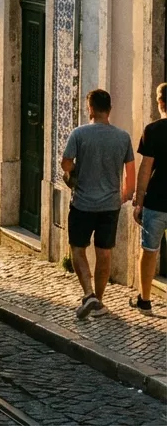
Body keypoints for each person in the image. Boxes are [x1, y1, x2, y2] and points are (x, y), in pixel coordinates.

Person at [61, 88, 136, 320]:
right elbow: (130, 173)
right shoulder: (123, 137)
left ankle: (88, 293)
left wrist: (74, 171)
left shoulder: (79, 134)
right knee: (104, 253)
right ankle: (99, 301)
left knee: (77, 248)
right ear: (110, 110)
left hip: (83, 203)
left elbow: (65, 164)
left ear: (90, 109)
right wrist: (125, 194)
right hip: (110, 206)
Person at [131, 82, 167, 314]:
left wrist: (139, 200)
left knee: (149, 250)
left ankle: (144, 300)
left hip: (156, 200)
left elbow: (146, 169)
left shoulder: (153, 130)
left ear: (161, 103)